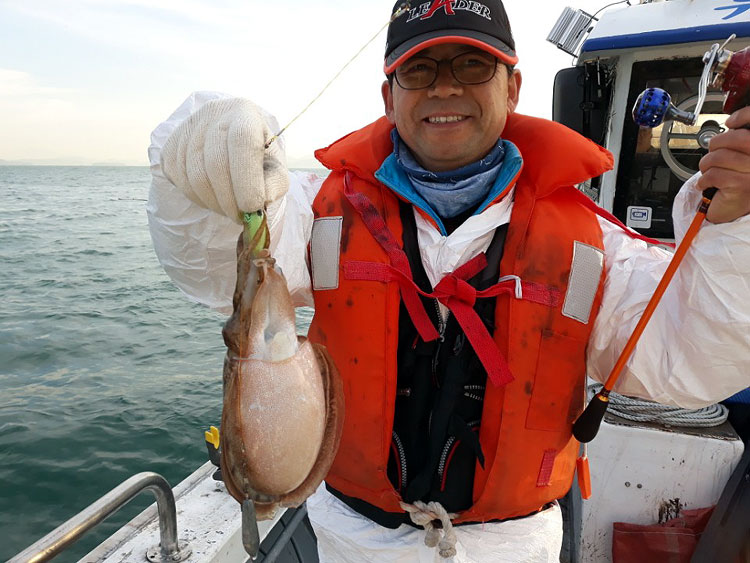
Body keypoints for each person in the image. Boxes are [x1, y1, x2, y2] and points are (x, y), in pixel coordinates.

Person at [147, 1, 750, 561]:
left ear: (512, 88)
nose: (444, 87)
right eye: (419, 69)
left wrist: (736, 229)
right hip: (352, 536)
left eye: (472, 65)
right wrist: (199, 169)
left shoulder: (596, 243)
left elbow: (690, 361)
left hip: (511, 545)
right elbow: (215, 265)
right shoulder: (313, 209)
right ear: (389, 97)